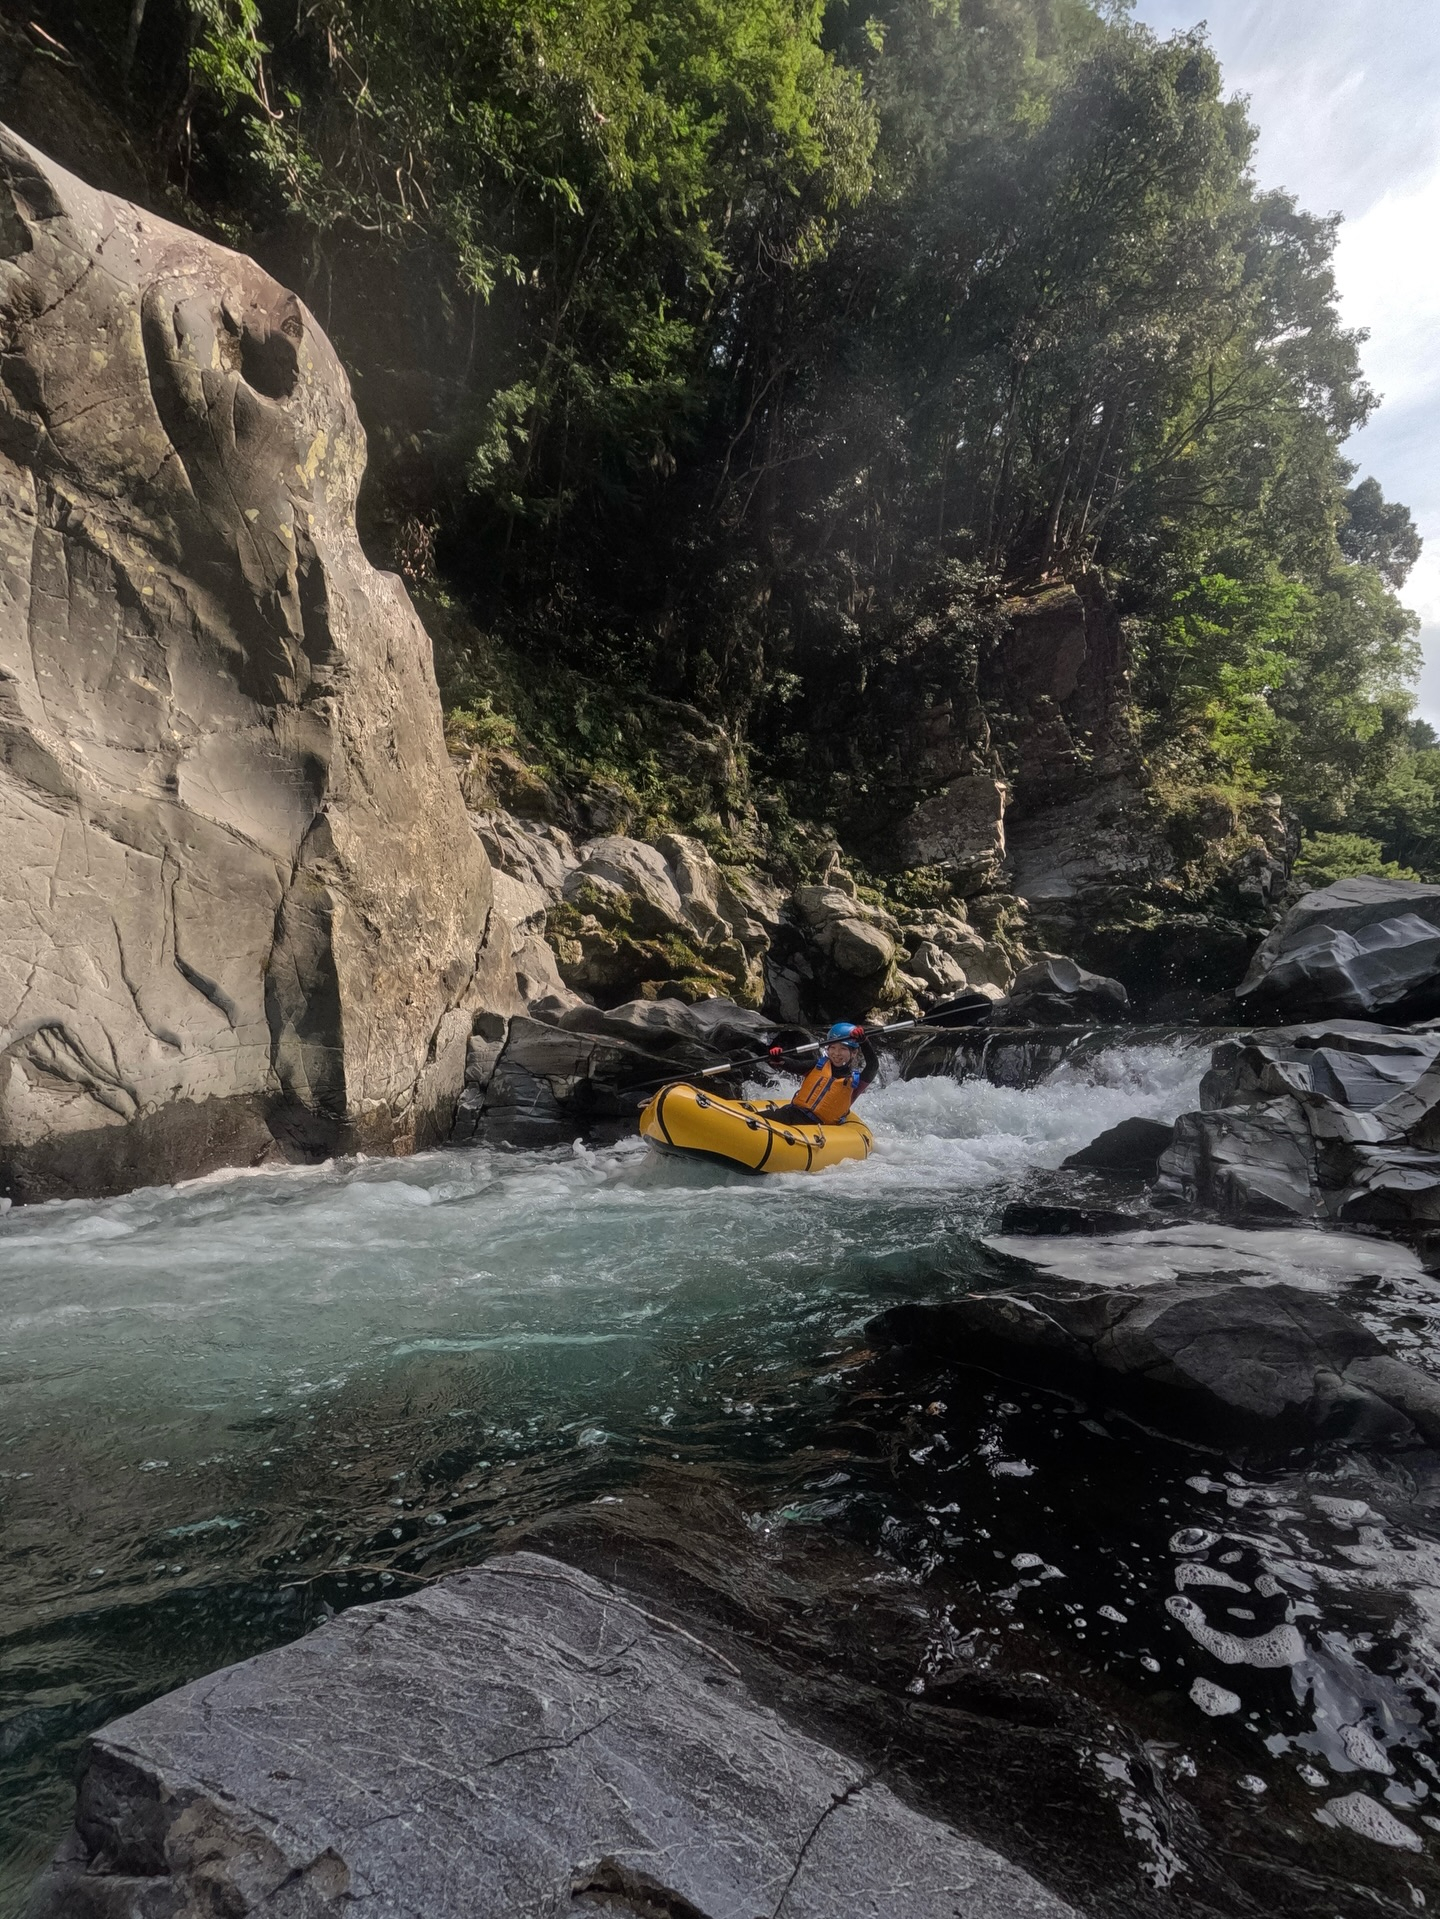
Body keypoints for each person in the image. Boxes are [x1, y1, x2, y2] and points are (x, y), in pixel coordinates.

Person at [763, 1023, 877, 1126]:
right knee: (757, 1119)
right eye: (833, 1047)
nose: (836, 1053)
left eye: (843, 1049)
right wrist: (779, 1059)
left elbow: (873, 1065)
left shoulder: (856, 1081)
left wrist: (864, 1041)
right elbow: (795, 1065)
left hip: (820, 1129)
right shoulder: (818, 1065)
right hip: (794, 1113)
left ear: (854, 1053)